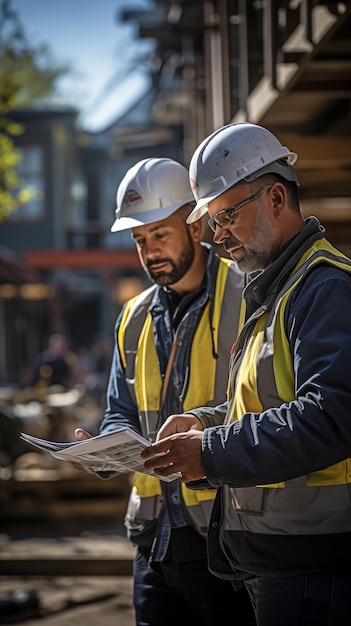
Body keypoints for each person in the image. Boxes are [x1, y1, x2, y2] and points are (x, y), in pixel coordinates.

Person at [141, 124, 351, 626]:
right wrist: (203, 421)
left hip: (316, 567)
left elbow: (332, 415)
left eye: (227, 214)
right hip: (282, 561)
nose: (218, 235)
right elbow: (267, 406)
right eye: (213, 221)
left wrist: (211, 452)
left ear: (276, 197)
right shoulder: (278, 292)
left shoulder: (323, 289)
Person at [75, 157, 255, 626]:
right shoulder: (131, 316)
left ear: (194, 227)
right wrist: (102, 449)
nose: (149, 251)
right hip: (154, 542)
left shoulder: (248, 296)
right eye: (139, 240)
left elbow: (265, 409)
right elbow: (120, 414)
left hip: (228, 537)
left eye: (159, 234)